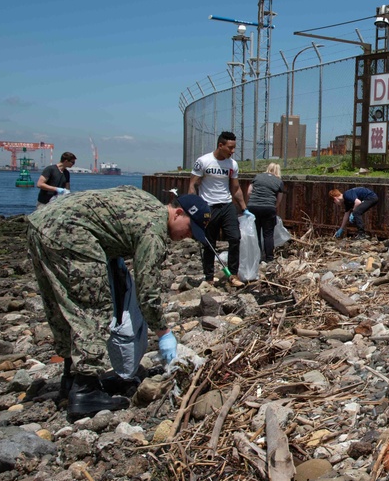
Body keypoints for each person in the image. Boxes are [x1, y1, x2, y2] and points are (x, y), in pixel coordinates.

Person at [27, 185, 211, 420]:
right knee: (92, 308)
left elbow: (107, 216)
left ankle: (71, 377)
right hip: (72, 233)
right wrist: (163, 332)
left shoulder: (145, 200)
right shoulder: (154, 231)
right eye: (189, 229)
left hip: (41, 224)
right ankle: (85, 390)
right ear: (177, 213)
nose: (189, 237)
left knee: (62, 305)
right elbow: (148, 291)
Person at [189, 132, 251, 287]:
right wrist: (194, 208)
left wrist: (244, 208)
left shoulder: (232, 164)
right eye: (230, 147)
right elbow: (193, 185)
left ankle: (233, 275)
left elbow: (235, 188)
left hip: (226, 205)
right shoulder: (203, 161)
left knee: (235, 238)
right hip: (208, 206)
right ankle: (209, 277)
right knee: (209, 243)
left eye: (234, 147)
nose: (233, 151)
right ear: (220, 145)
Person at [247, 163, 285, 263]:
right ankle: (269, 258)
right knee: (268, 234)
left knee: (256, 232)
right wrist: (274, 207)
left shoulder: (257, 177)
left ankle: (257, 257)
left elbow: (249, 192)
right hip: (268, 207)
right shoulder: (279, 181)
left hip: (253, 207)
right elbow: (279, 199)